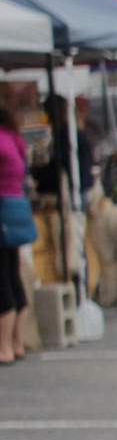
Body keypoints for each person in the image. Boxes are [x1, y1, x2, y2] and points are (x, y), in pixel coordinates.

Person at [0, 101, 32, 365]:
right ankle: (17, 342)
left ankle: (4, 349)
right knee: (13, 273)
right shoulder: (13, 138)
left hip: (2, 211)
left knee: (2, 280)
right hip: (17, 208)